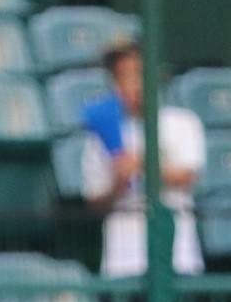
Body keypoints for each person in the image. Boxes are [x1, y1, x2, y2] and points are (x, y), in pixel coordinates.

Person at [79, 37, 207, 281]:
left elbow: (187, 176)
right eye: (121, 76)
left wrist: (141, 165)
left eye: (137, 73)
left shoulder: (182, 122)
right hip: (123, 261)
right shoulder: (100, 136)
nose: (131, 84)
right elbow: (94, 202)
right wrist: (119, 181)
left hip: (176, 257)